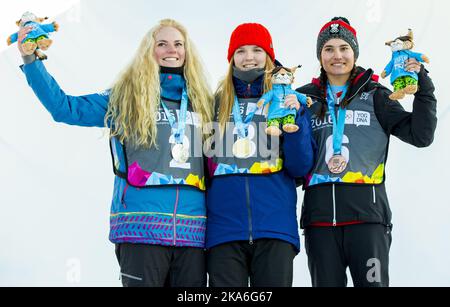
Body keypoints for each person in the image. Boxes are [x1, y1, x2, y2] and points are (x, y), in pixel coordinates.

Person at [17, 19, 213, 287]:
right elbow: (65, 108)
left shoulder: (204, 102)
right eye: (162, 44)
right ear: (149, 50)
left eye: (179, 44)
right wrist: (31, 61)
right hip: (141, 229)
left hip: (193, 233)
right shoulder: (124, 98)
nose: (172, 50)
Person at [296, 17, 437, 287]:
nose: (337, 56)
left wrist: (423, 88)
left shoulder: (376, 95)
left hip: (368, 220)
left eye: (343, 48)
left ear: (354, 52)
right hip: (320, 222)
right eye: (328, 49)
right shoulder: (305, 99)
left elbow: (421, 136)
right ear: (320, 55)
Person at [205, 23, 315, 287]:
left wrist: (297, 119)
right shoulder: (214, 103)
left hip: (275, 227)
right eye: (240, 51)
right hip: (223, 231)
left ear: (269, 56)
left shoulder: (287, 102)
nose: (249, 57)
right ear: (231, 58)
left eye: (257, 50)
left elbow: (300, 167)